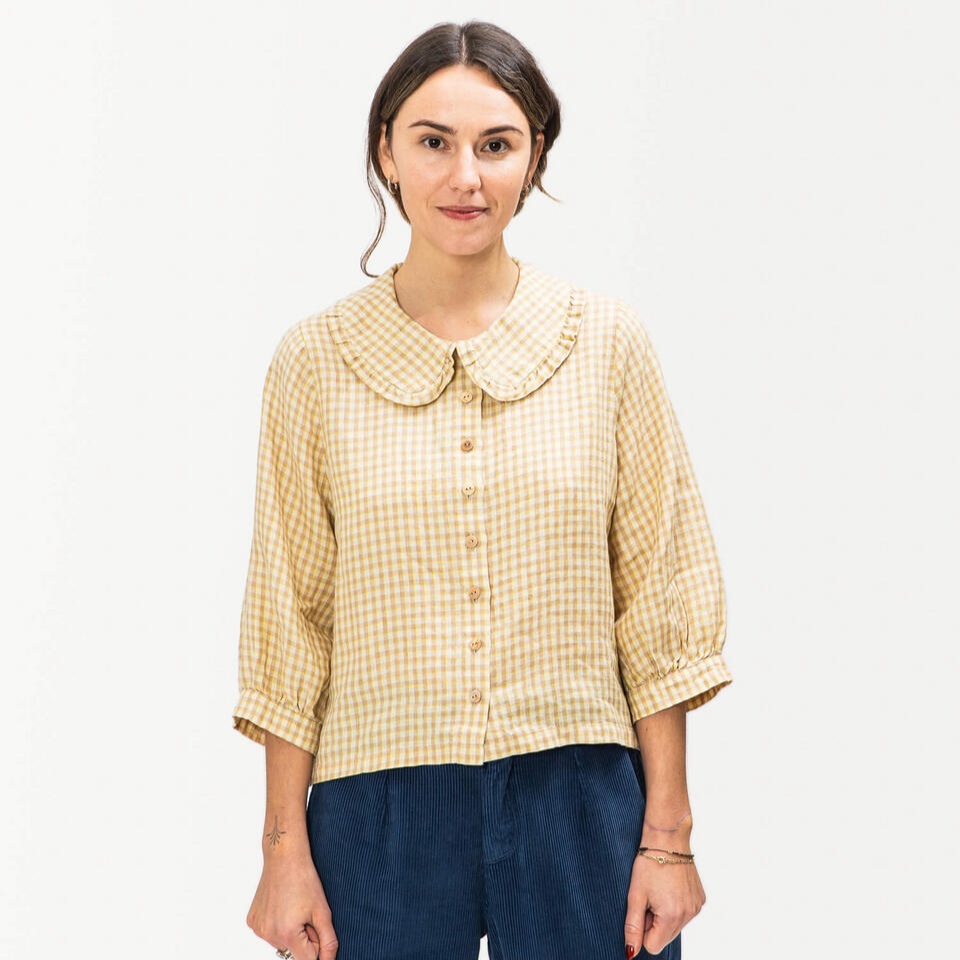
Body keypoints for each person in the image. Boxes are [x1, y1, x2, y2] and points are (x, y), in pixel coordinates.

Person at [233, 20, 732, 960]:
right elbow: (291, 617)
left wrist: (669, 837)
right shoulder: (314, 362)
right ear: (386, 152)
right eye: (434, 142)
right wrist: (281, 850)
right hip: (378, 803)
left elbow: (658, 595)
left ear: (533, 154)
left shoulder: (606, 342)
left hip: (578, 791)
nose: (465, 176)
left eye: (495, 145)